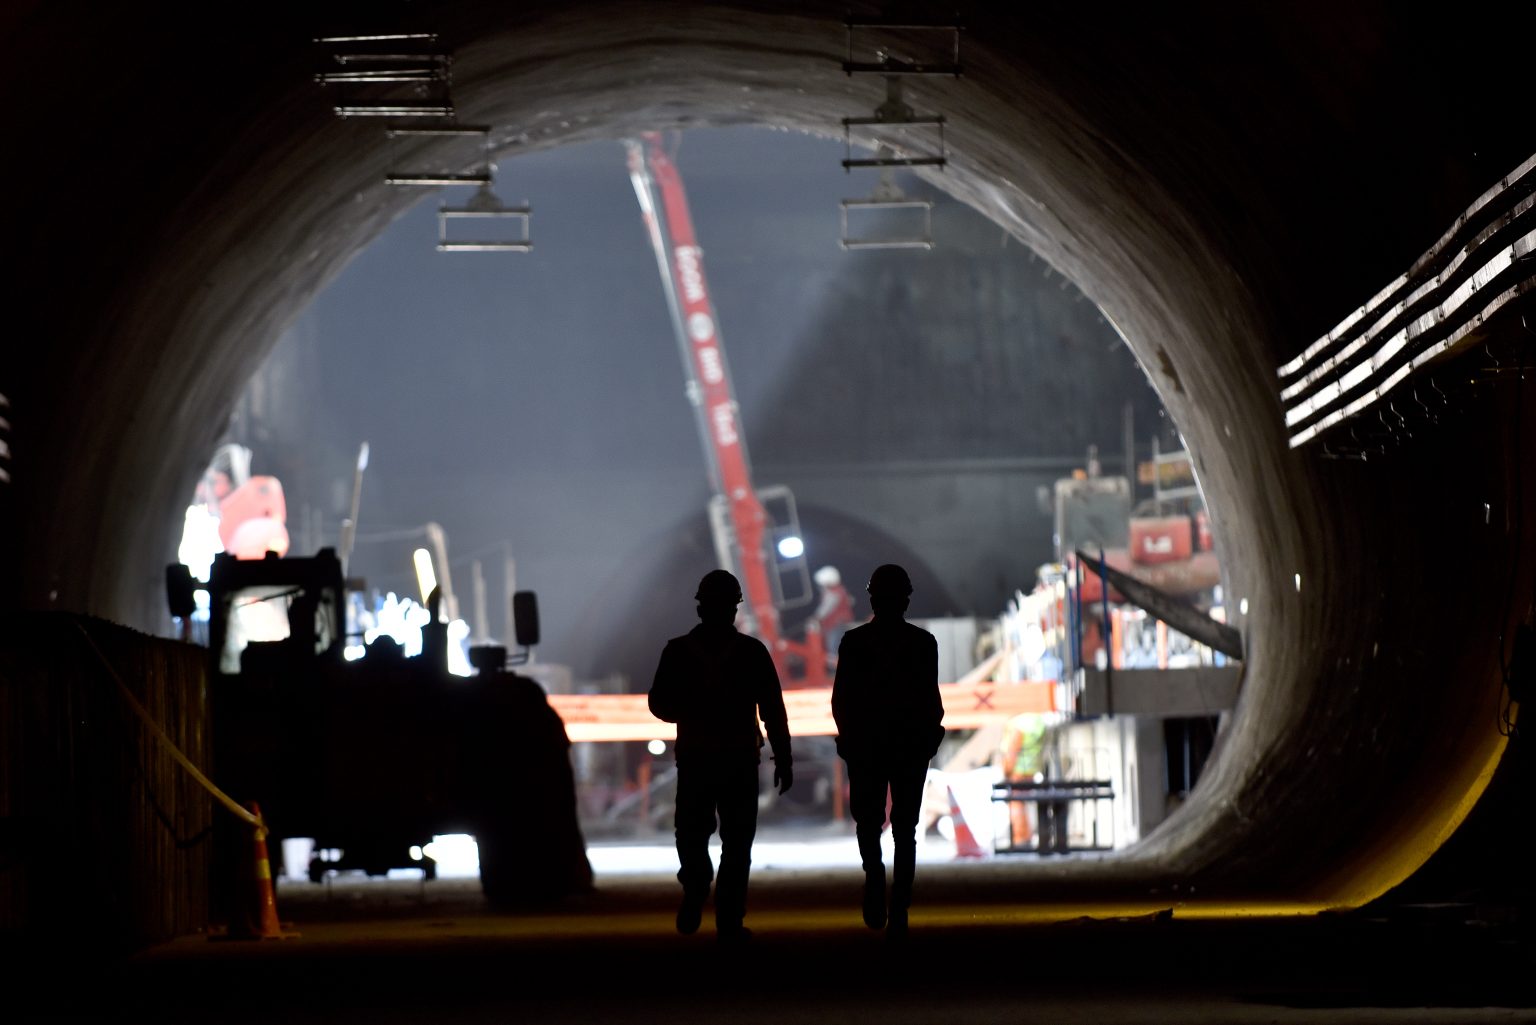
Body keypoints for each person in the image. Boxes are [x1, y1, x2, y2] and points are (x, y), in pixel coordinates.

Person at [648, 569, 793, 942]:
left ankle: (696, 886)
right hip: (739, 760)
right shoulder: (751, 652)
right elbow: (773, 710)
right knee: (738, 840)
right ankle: (729, 920)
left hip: (696, 758)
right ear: (734, 610)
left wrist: (689, 711)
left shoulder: (677, 650)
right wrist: (784, 757)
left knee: (691, 833)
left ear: (700, 608)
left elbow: (658, 703)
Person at [832, 563, 945, 939]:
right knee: (905, 828)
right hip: (909, 746)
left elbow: (841, 700)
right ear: (906, 599)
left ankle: (875, 877)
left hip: (866, 745)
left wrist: (848, 737)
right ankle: (900, 906)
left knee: (868, 821)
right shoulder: (922, 643)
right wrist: (930, 737)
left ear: (872, 598)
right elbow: (931, 700)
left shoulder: (854, 642)